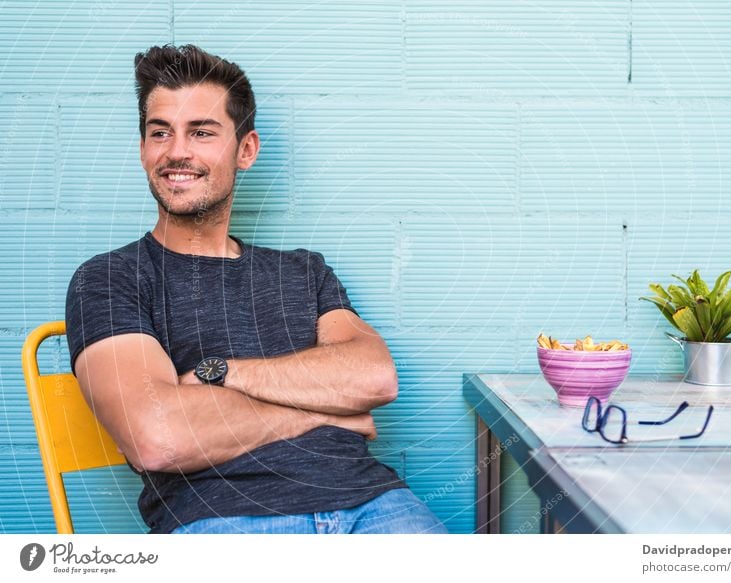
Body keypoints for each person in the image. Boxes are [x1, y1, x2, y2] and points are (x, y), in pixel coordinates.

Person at [65, 44, 447, 535]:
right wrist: (326, 411)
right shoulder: (110, 278)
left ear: (246, 150)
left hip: (376, 504)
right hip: (224, 519)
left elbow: (374, 378)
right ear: (143, 149)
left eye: (201, 132)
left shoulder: (304, 272)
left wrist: (217, 375)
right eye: (160, 132)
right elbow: (157, 436)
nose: (177, 151)